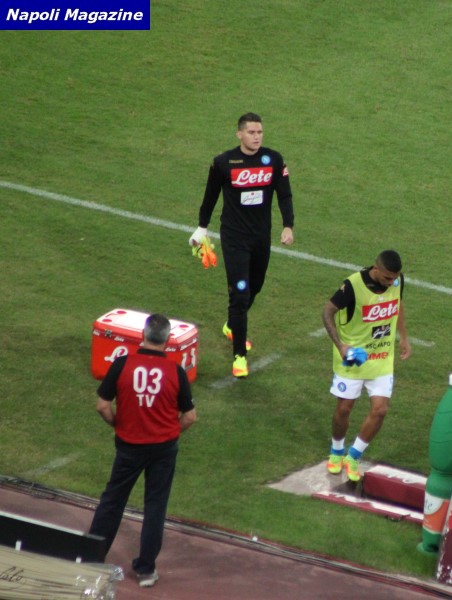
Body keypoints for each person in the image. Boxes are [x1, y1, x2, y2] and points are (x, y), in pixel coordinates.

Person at [89, 313, 197, 588]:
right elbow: (189, 416)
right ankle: (146, 570)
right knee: (155, 506)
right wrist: (171, 432)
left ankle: (91, 558)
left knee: (113, 501)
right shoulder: (176, 371)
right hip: (163, 449)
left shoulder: (122, 364)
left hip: (129, 446)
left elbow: (102, 405)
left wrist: (117, 424)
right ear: (167, 340)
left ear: (142, 335)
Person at [190, 112, 295, 378]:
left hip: (260, 237)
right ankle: (239, 356)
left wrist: (288, 225)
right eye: (251, 132)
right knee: (239, 293)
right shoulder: (223, 163)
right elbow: (210, 196)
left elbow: (284, 194)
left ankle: (232, 325)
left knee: (255, 286)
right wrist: (202, 228)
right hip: (234, 238)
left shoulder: (273, 160)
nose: (257, 137)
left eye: (259, 132)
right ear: (239, 134)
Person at [322, 250, 411, 482]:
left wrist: (403, 337)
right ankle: (336, 450)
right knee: (344, 409)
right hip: (352, 358)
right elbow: (327, 312)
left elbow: (398, 305)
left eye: (395, 278)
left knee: (380, 410)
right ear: (376, 268)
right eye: (387, 277)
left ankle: (353, 456)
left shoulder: (397, 281)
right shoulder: (353, 286)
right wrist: (340, 346)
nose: (391, 282)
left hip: (381, 357)